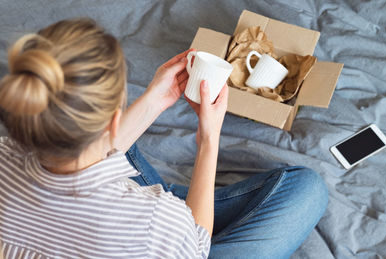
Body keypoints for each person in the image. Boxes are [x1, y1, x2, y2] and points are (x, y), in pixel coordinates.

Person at [0, 18, 328, 259]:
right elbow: (197, 246)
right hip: (169, 240)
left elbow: (91, 149)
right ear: (115, 120)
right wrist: (208, 138)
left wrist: (157, 98)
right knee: (307, 188)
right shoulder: (154, 220)